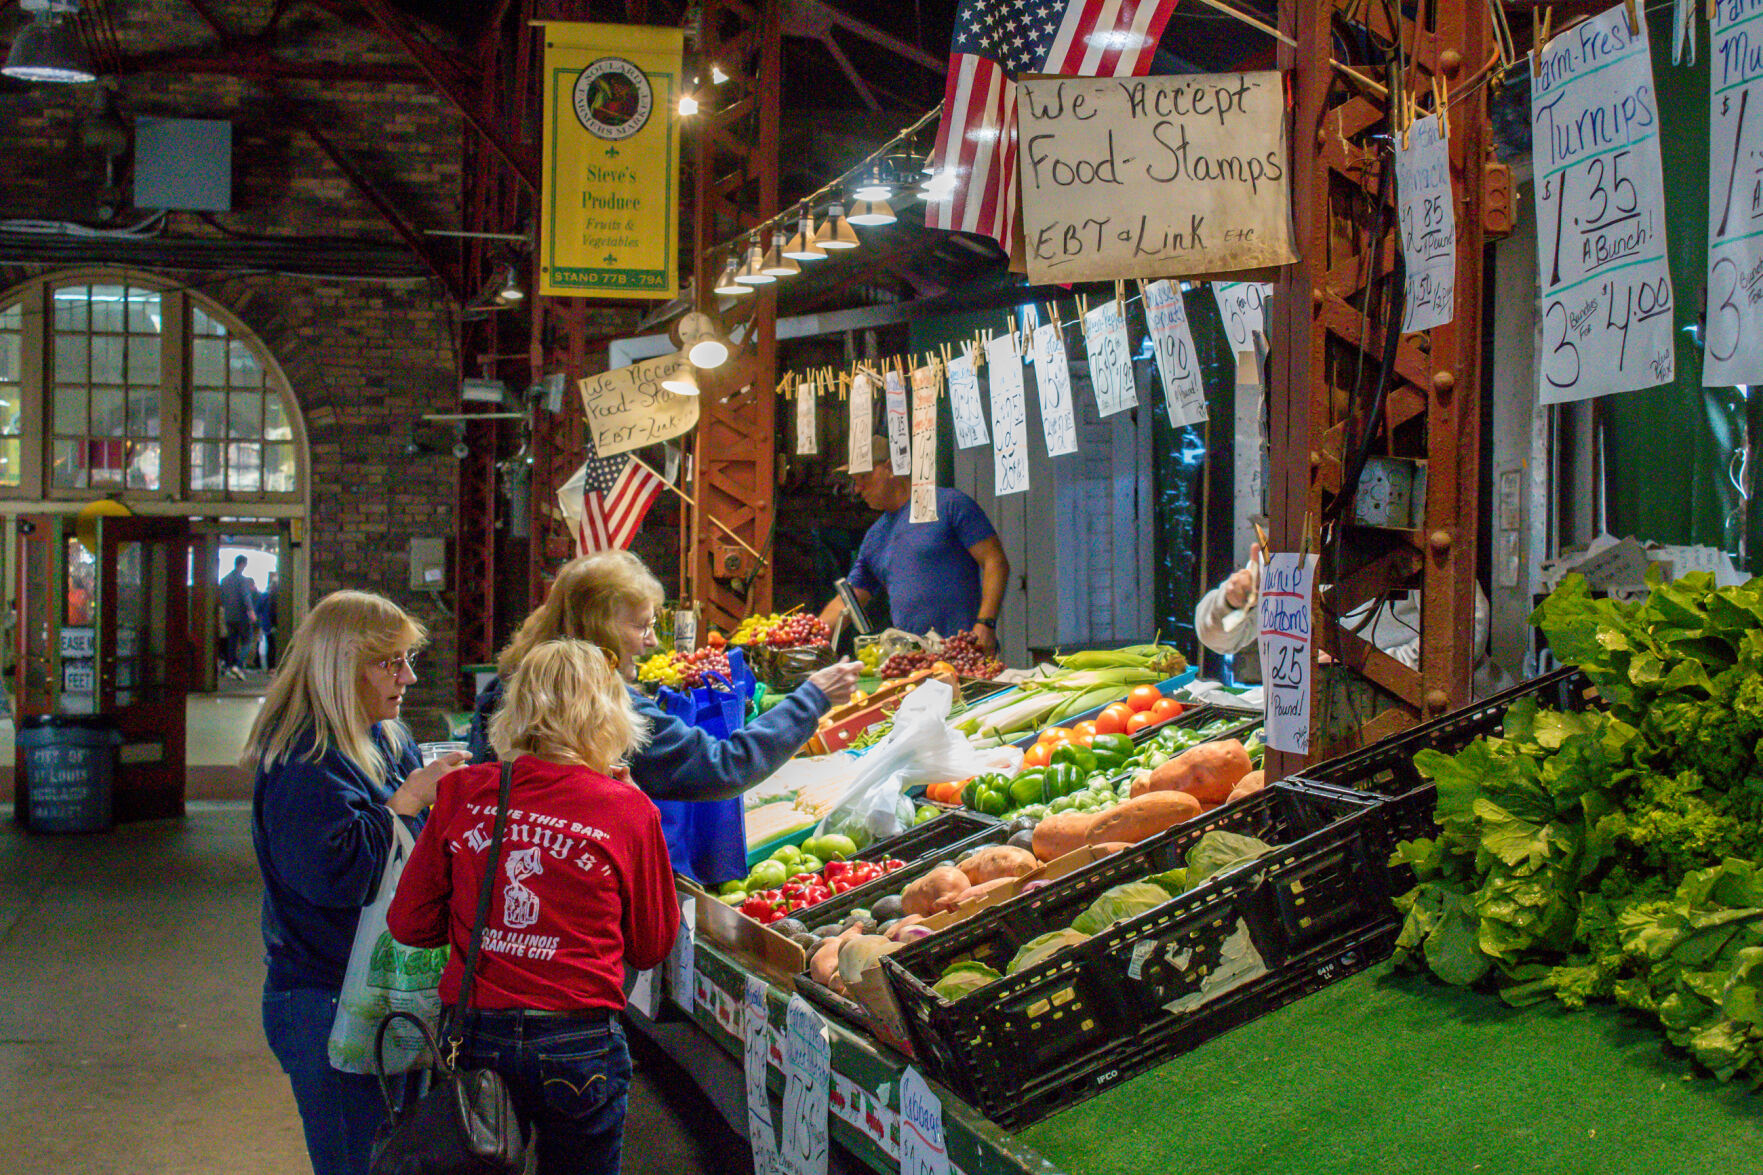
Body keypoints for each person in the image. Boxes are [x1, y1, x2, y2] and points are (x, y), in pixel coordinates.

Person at [387, 639, 678, 1175]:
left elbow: (409, 923)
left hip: (476, 1035)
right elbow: (652, 943)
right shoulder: (628, 808)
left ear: (515, 708)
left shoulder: (464, 792)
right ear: (610, 714)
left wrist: (481, 924)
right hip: (581, 1041)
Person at [464, 550, 861, 883]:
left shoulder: (505, 689)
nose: (652, 641)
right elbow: (721, 766)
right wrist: (814, 697)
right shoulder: (601, 711)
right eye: (641, 626)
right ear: (600, 629)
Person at [246, 590, 469, 1175]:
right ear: (340, 667)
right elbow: (334, 877)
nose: (409, 676)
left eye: (406, 660)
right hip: (326, 998)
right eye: (390, 662)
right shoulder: (305, 756)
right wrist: (408, 800)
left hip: (377, 990)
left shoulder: (383, 738)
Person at [1195, 543, 1509, 698]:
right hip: (1344, 714)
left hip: (1454, 709)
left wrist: (1360, 663)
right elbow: (1220, 638)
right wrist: (1230, 600)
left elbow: (1465, 635)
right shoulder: (1301, 546)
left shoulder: (1425, 547)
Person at [817, 436, 1009, 654]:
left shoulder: (949, 504)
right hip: (912, 662)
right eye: (854, 480)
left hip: (965, 653)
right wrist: (810, 636)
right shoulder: (874, 538)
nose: (858, 489)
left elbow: (995, 561)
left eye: (863, 476)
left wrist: (986, 624)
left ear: (889, 467)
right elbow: (848, 602)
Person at [219, 554, 258, 680]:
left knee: (232, 642)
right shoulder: (243, 580)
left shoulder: (224, 580)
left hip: (229, 616)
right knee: (248, 640)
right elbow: (246, 597)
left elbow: (222, 598)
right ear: (243, 564)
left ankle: (229, 667)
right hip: (241, 616)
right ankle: (238, 665)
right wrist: (251, 612)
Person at [258, 572, 280, 671]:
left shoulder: (265, 595)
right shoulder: (277, 596)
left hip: (266, 624)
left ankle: (270, 667)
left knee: (270, 645)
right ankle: (272, 667)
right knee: (273, 646)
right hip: (273, 624)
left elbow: (258, 609)